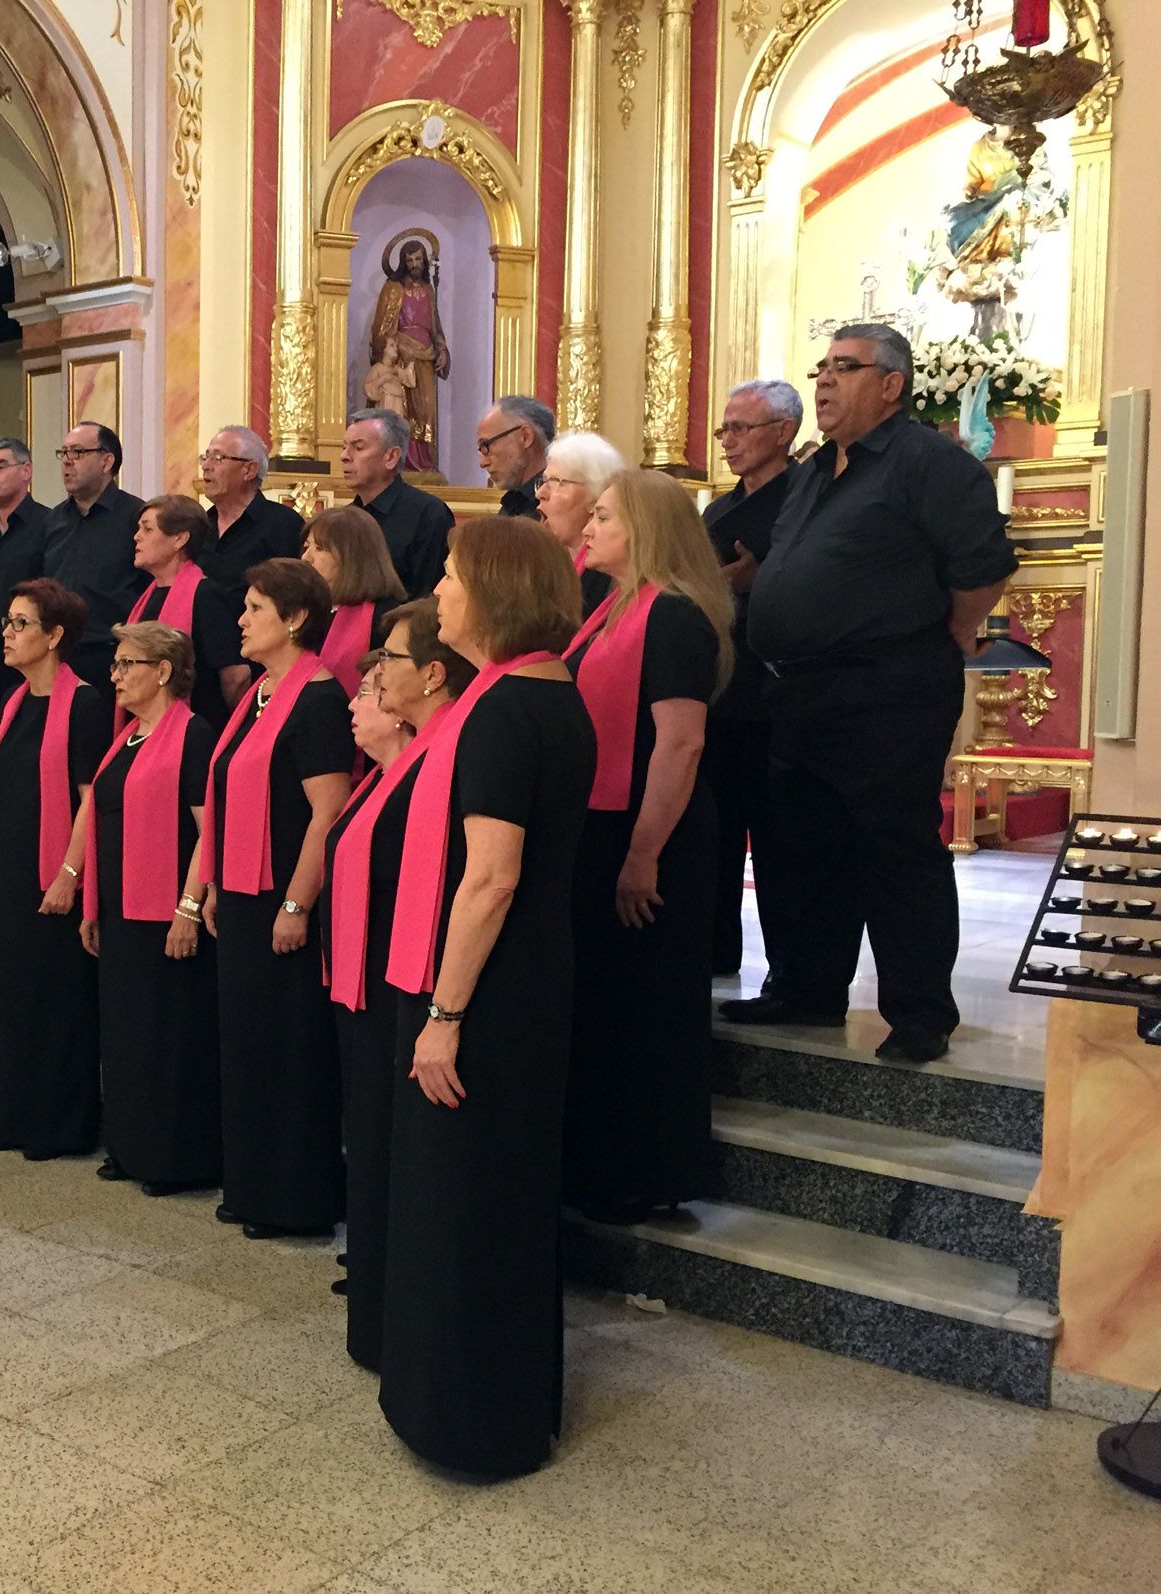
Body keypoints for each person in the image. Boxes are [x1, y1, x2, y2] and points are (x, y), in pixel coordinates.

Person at [729, 325, 1017, 1063]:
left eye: (844, 368)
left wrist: (942, 635)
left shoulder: (930, 464)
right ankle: (808, 988)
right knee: (805, 848)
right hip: (798, 690)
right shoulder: (813, 471)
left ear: (891, 384)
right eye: (820, 367)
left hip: (887, 688)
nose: (824, 381)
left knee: (894, 849)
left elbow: (982, 568)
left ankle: (920, 1011)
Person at [377, 517, 594, 1477]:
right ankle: (493, 1401)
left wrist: (445, 1014)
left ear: (497, 594)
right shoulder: (545, 694)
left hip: (489, 997)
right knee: (492, 1198)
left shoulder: (505, 711)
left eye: (457, 577)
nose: (443, 592)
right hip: (529, 982)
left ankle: (470, 1416)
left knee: (467, 1198)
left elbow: (491, 876)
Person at [563, 472, 731, 1223]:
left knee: (650, 1005)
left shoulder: (673, 619)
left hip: (652, 831)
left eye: (603, 516)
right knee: (611, 1002)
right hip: (605, 825)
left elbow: (681, 743)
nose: (588, 527)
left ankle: (650, 1171)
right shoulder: (610, 610)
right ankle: (606, 1164)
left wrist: (641, 853)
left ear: (646, 529)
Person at [320, 601, 471, 1367]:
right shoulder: (393, 771)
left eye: (384, 675)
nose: (368, 689)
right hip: (369, 981)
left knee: (386, 1143)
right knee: (369, 1141)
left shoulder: (433, 759)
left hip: (400, 986)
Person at [202, 558, 354, 1239]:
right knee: (248, 1045)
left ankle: (294, 1197)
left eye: (255, 608)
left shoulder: (319, 698)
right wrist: (208, 884)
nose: (241, 618)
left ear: (295, 619)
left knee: (290, 1051)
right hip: (240, 895)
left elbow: (329, 812)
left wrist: (297, 904)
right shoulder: (261, 690)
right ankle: (251, 1184)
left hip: (285, 900)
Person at [0, 579, 112, 1159]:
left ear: (55, 636)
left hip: (53, 872)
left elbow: (90, 799)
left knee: (54, 1004)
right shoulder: (12, 700)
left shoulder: (83, 703)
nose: (7, 632)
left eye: (20, 623)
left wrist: (70, 873)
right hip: (7, 865)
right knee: (11, 999)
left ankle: (58, 1126)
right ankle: (13, 1117)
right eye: (7, 621)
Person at [80, 621, 222, 1196]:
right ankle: (131, 1146)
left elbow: (207, 830)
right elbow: (100, 825)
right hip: (119, 909)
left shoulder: (193, 735)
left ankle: (174, 1158)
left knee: (168, 1038)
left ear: (163, 671)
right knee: (127, 1035)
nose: (114, 675)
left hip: (165, 912)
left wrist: (188, 906)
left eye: (126, 665)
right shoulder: (127, 736)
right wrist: (91, 902)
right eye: (114, 665)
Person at [703, 379, 802, 978]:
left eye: (741, 429)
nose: (728, 441)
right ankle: (715, 954)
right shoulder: (718, 510)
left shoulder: (804, 500)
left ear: (784, 432)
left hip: (776, 697)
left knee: (779, 843)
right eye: (724, 429)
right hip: (721, 690)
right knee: (716, 835)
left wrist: (757, 581)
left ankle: (789, 970)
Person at [122, 495, 248, 723]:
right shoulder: (146, 596)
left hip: (197, 732)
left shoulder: (206, 595)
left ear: (179, 539)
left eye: (147, 529)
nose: (136, 537)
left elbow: (236, 677)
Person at [0, 437, 52, 760]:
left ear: (26, 471)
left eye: (1, 466)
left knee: (26, 743)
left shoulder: (48, 523)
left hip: (30, 651)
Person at [43, 420, 147, 683]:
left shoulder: (136, 516)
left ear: (106, 461)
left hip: (114, 656)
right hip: (59, 654)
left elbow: (150, 587)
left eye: (77, 452)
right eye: (63, 453)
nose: (67, 461)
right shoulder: (53, 521)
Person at [340, 408, 454, 599]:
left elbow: (428, 597)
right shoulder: (345, 519)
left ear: (391, 457)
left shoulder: (428, 515)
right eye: (344, 447)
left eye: (358, 448)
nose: (344, 456)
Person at [299, 506, 406, 696]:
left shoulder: (386, 617)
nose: (306, 558)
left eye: (320, 548)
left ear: (352, 557)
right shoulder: (306, 610)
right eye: (307, 547)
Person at [197, 425, 303, 614]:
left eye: (218, 458)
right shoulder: (200, 526)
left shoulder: (283, 525)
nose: (206, 466)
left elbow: (292, 598)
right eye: (206, 457)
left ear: (249, 470)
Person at [368, 238, 451, 472]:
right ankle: (403, 461)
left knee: (426, 409)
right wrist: (393, 349)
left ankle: (424, 461)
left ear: (425, 262)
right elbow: (382, 327)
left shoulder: (428, 291)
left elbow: (436, 326)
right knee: (403, 408)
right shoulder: (394, 289)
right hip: (402, 356)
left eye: (418, 259)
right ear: (403, 263)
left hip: (426, 358)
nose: (415, 264)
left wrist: (442, 349)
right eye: (410, 260)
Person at [535, 430, 628, 617]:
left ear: (596, 497)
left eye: (556, 482)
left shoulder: (611, 572)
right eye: (543, 481)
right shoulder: (541, 563)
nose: (540, 493)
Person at [475, 395, 556, 520]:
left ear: (525, 437)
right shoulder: (513, 503)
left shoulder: (554, 508)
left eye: (486, 445)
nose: (482, 463)